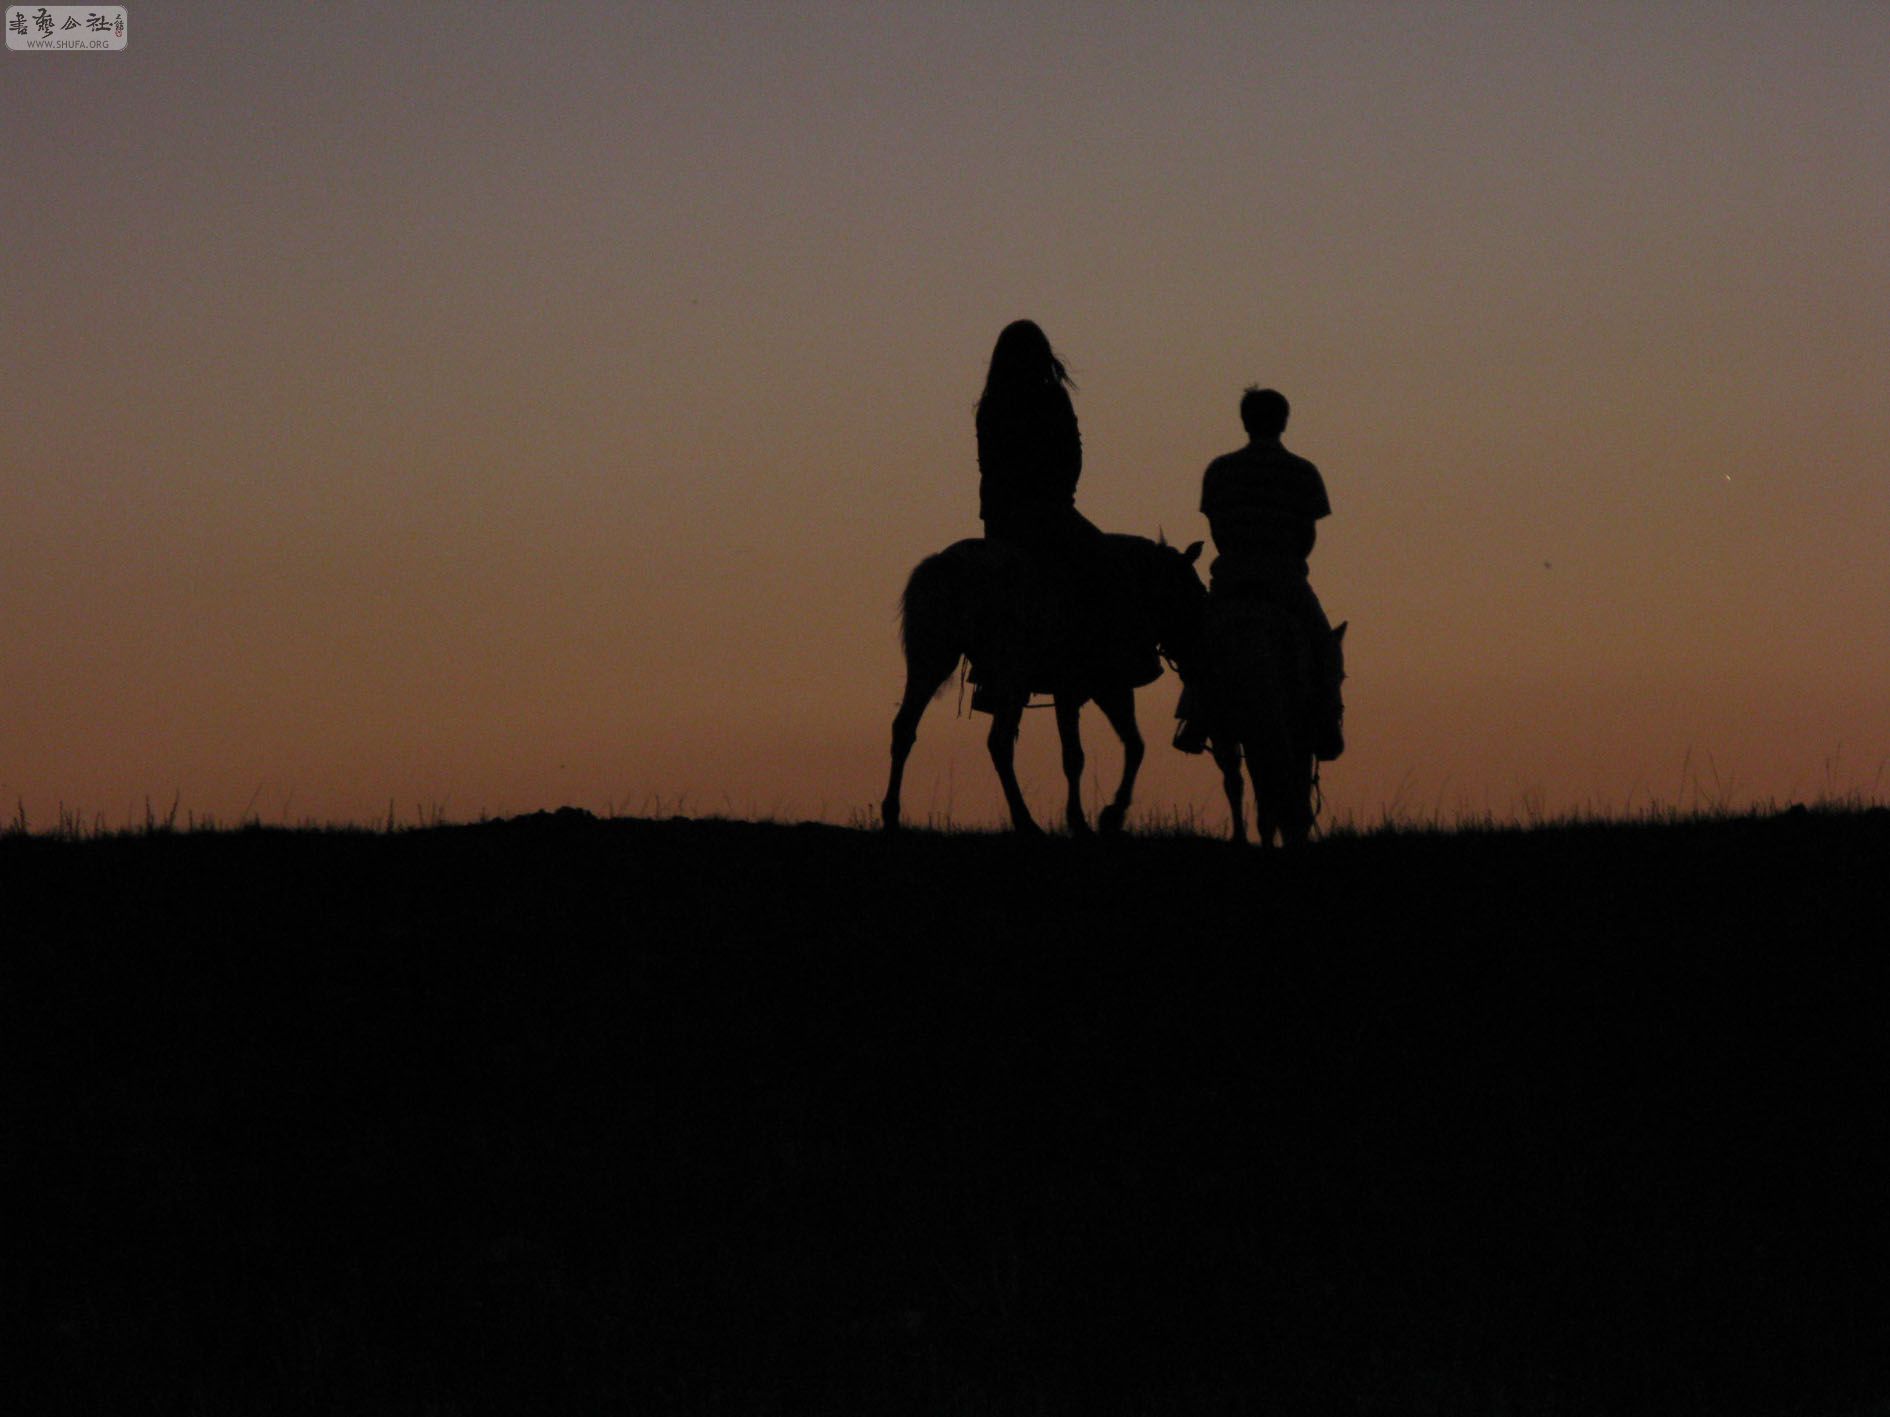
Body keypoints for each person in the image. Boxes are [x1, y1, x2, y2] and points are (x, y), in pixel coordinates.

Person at [1174, 386, 1344, 759]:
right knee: (1326, 648)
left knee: (1202, 649)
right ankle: (1328, 721)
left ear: (1245, 421)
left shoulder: (1221, 470)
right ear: (1284, 421)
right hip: (1286, 582)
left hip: (1232, 582)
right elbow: (1306, 536)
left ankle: (1196, 719)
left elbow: (1218, 531)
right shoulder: (1302, 472)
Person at [970, 320, 1115, 709]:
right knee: (1103, 562)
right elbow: (1072, 455)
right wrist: (1059, 497)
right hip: (1048, 514)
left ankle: (989, 675)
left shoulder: (991, 405)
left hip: (1001, 521)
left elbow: (988, 465)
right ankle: (1099, 659)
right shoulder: (1052, 399)